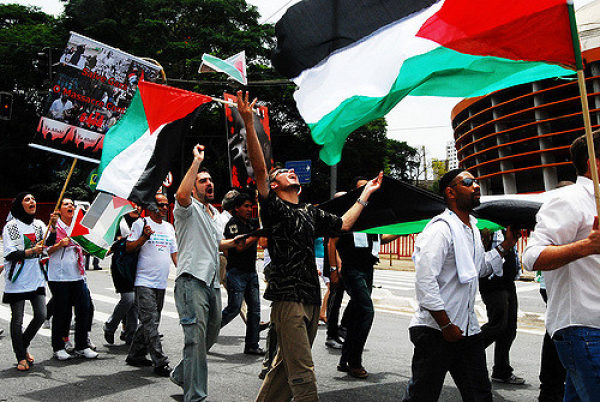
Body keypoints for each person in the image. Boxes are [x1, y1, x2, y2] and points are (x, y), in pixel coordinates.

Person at [236, 91, 382, 402]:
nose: (291, 172)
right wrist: (249, 123)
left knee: (281, 373)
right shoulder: (273, 208)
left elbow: (343, 224)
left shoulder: (311, 212)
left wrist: (365, 195)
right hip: (288, 300)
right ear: (275, 186)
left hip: (312, 300)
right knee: (303, 375)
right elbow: (260, 171)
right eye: (283, 173)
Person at [402, 169, 518, 402]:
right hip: (437, 330)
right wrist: (446, 325)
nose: (476, 186)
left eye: (476, 182)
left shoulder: (472, 229)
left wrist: (506, 244)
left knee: (480, 395)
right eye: (468, 182)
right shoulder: (440, 229)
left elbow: (479, 268)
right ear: (451, 192)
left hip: (467, 330)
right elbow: (426, 281)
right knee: (422, 397)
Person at [522, 132, 600, 402]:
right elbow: (531, 256)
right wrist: (586, 247)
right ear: (594, 163)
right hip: (584, 327)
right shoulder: (569, 198)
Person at [170, 145, 242, 402]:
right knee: (195, 340)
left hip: (212, 283)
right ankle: (195, 396)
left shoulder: (214, 216)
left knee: (211, 334)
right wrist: (196, 162)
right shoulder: (186, 210)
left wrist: (234, 243)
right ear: (193, 187)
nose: (209, 183)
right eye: (202, 180)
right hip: (191, 281)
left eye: (210, 180)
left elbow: (215, 244)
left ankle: (182, 373)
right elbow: (180, 194)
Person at [333, 177, 400, 379]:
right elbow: (333, 239)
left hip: (368, 268)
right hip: (351, 269)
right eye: (363, 187)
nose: (369, 189)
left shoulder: (373, 214)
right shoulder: (351, 211)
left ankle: (345, 359)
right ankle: (355, 361)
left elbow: (380, 239)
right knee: (366, 311)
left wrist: (402, 233)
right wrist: (335, 268)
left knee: (356, 315)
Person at [125, 193, 177, 377]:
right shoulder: (141, 224)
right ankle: (160, 362)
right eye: (160, 205)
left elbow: (175, 254)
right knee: (151, 322)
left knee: (149, 322)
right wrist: (144, 238)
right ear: (151, 206)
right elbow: (129, 247)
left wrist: (184, 272)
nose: (164, 208)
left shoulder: (169, 228)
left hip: (161, 283)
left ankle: (135, 354)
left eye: (166, 205)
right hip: (144, 281)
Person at [2, 192, 51, 371]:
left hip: (36, 277)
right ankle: (21, 356)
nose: (32, 202)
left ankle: (22, 345)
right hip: (18, 279)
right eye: (27, 199)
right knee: (17, 320)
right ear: (19, 205)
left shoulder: (39, 225)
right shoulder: (11, 226)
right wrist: (31, 251)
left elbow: (48, 245)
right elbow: (9, 254)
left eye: (34, 199)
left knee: (41, 314)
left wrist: (52, 227)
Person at [46, 198, 98, 361]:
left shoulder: (78, 226)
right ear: (59, 209)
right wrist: (59, 244)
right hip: (59, 277)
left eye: (72, 205)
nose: (70, 207)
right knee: (62, 311)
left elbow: (88, 246)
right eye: (66, 204)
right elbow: (45, 249)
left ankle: (82, 345)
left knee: (84, 309)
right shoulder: (53, 226)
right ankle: (58, 347)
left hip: (78, 275)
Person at [478, 229, 525, 385]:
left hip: (508, 283)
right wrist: (485, 238)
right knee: (498, 325)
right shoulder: (486, 227)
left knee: (510, 329)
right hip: (493, 285)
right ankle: (467, 351)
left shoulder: (507, 229)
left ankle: (501, 370)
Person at [220, 193, 264, 355]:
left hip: (251, 272)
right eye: (245, 206)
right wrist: (255, 234)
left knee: (255, 310)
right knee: (234, 307)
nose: (248, 209)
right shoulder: (232, 225)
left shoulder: (252, 223)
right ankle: (210, 331)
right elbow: (239, 246)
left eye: (250, 206)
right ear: (236, 208)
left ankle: (252, 344)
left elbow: (263, 222)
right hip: (236, 272)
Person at [103, 205, 142, 345]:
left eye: (138, 205)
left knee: (135, 302)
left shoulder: (143, 222)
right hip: (121, 266)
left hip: (137, 266)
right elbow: (107, 242)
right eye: (133, 205)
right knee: (128, 298)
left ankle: (130, 334)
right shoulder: (118, 222)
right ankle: (110, 325)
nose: (136, 208)